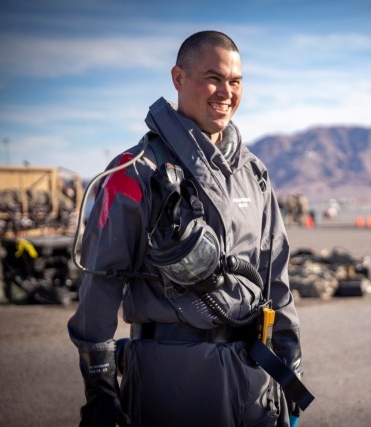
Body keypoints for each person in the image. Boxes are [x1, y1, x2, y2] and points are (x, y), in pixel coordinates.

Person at [68, 31, 307, 426]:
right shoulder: (134, 171)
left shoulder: (254, 173)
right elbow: (100, 286)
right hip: (174, 381)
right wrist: (100, 390)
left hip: (255, 380)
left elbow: (275, 276)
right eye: (213, 77)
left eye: (235, 81)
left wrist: (291, 362)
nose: (226, 92)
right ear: (178, 78)